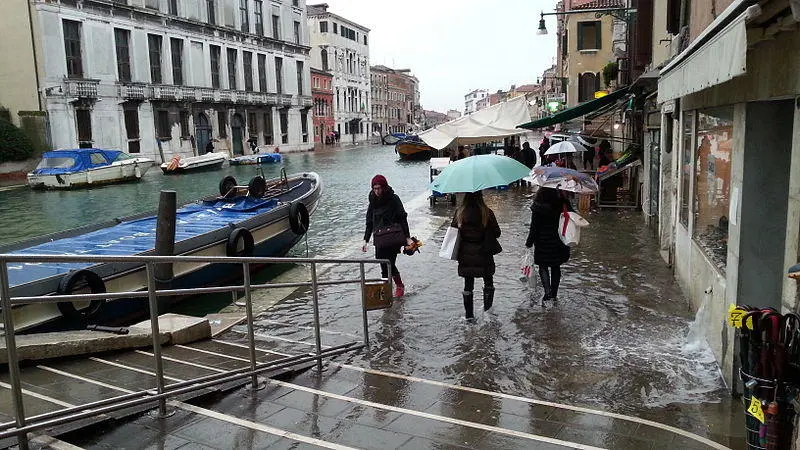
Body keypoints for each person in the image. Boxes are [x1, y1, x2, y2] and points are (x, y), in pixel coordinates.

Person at [361, 175, 414, 298]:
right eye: (374, 188)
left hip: (393, 236)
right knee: (381, 261)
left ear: (384, 187)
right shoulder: (372, 201)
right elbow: (369, 222)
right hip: (380, 238)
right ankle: (386, 288)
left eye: (379, 188)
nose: (377, 191)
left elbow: (402, 218)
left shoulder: (394, 199)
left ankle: (398, 286)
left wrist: (407, 238)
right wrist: (365, 240)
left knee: (390, 262)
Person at [451, 191, 501, 321]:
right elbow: (497, 232)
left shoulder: (459, 213)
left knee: (468, 284)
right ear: (481, 197)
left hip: (466, 254)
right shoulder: (487, 213)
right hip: (484, 252)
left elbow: (453, 232)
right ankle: (488, 313)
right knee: (488, 281)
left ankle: (469, 316)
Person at [525, 187, 572, 302]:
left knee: (543, 266)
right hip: (559, 240)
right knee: (556, 266)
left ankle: (547, 292)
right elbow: (572, 216)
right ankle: (554, 294)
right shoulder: (561, 202)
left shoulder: (538, 205)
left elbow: (534, 228)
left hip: (542, 242)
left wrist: (529, 243)